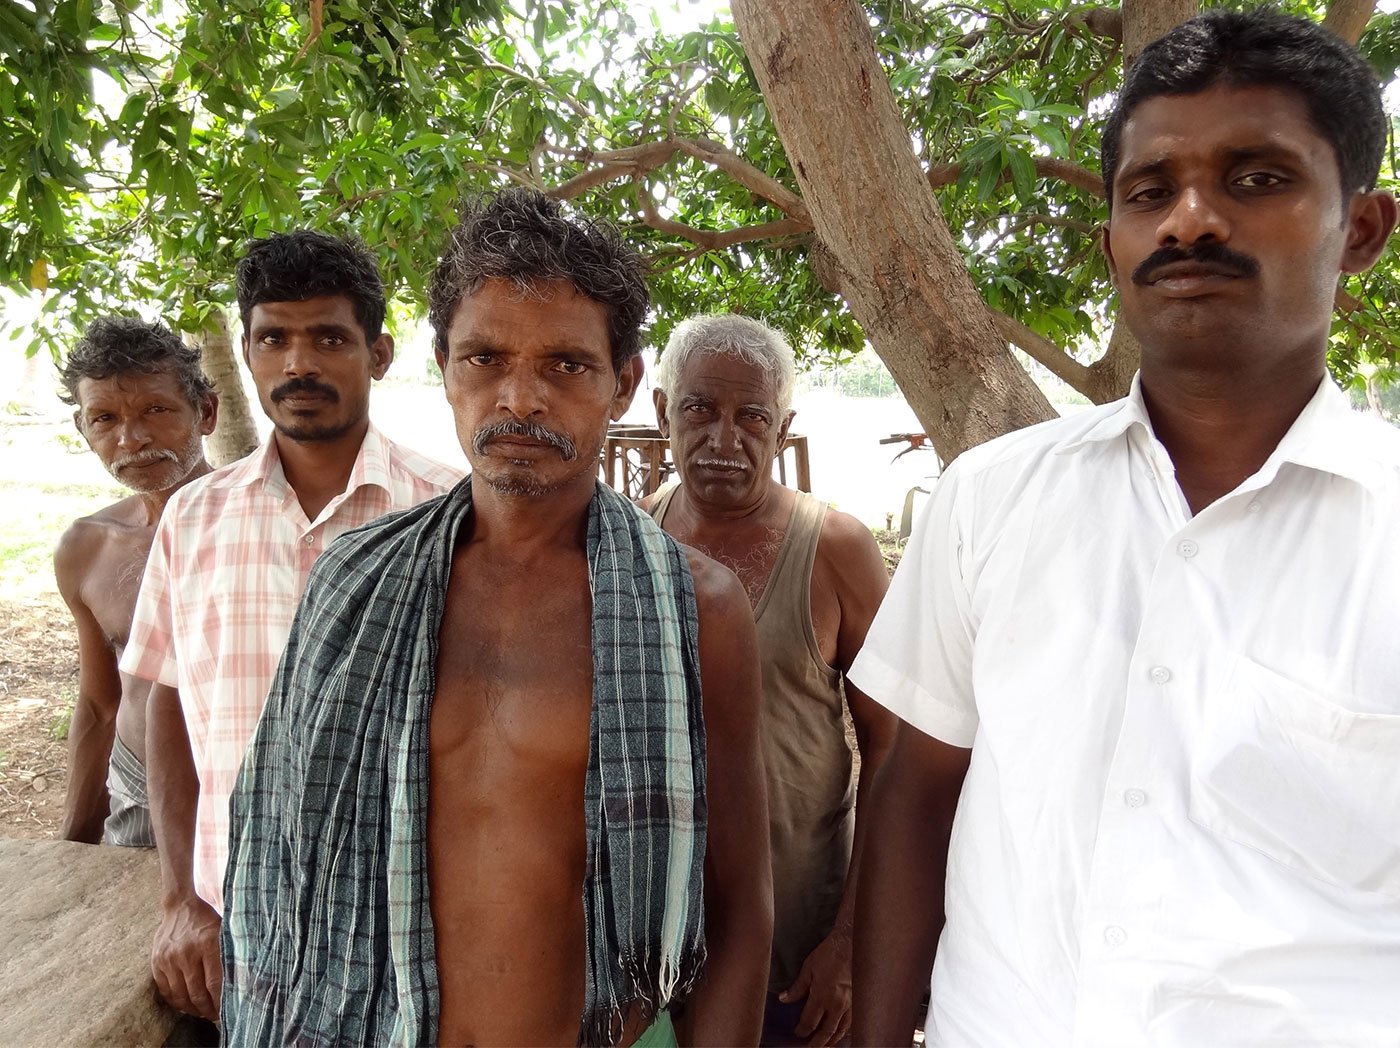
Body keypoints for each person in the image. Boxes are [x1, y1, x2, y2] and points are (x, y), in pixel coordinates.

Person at [851, 10, 1400, 1047]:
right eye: (1149, 192)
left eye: (1255, 179)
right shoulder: (988, 499)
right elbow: (915, 801)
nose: (1189, 221)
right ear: (1110, 240)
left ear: (1359, 230)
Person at [220, 189, 773, 1048]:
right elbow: (275, 853)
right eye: (485, 358)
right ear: (443, 365)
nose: (520, 400)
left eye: (566, 365)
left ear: (623, 382)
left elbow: (738, 905)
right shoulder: (353, 583)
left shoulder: (695, 608)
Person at [120, 231, 461, 1021]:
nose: (299, 364)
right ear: (245, 351)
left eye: (329, 338)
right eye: (274, 337)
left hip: (407, 927)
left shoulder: (451, 515)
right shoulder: (193, 518)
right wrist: (181, 900)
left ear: (377, 354)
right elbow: (166, 704)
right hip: (239, 927)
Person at [645, 315, 896, 1046]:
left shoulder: (836, 550)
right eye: (699, 409)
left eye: (751, 416)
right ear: (662, 413)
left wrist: (848, 949)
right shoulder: (632, 537)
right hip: (659, 951)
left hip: (799, 950)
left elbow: (894, 752)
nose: (725, 440)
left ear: (782, 429)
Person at [54, 317, 218, 847]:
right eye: (104, 418)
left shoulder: (273, 526)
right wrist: (74, 844)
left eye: (157, 409)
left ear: (206, 412)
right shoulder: (87, 547)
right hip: (139, 791)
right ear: (84, 431)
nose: (132, 439)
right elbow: (101, 704)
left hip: (251, 792)